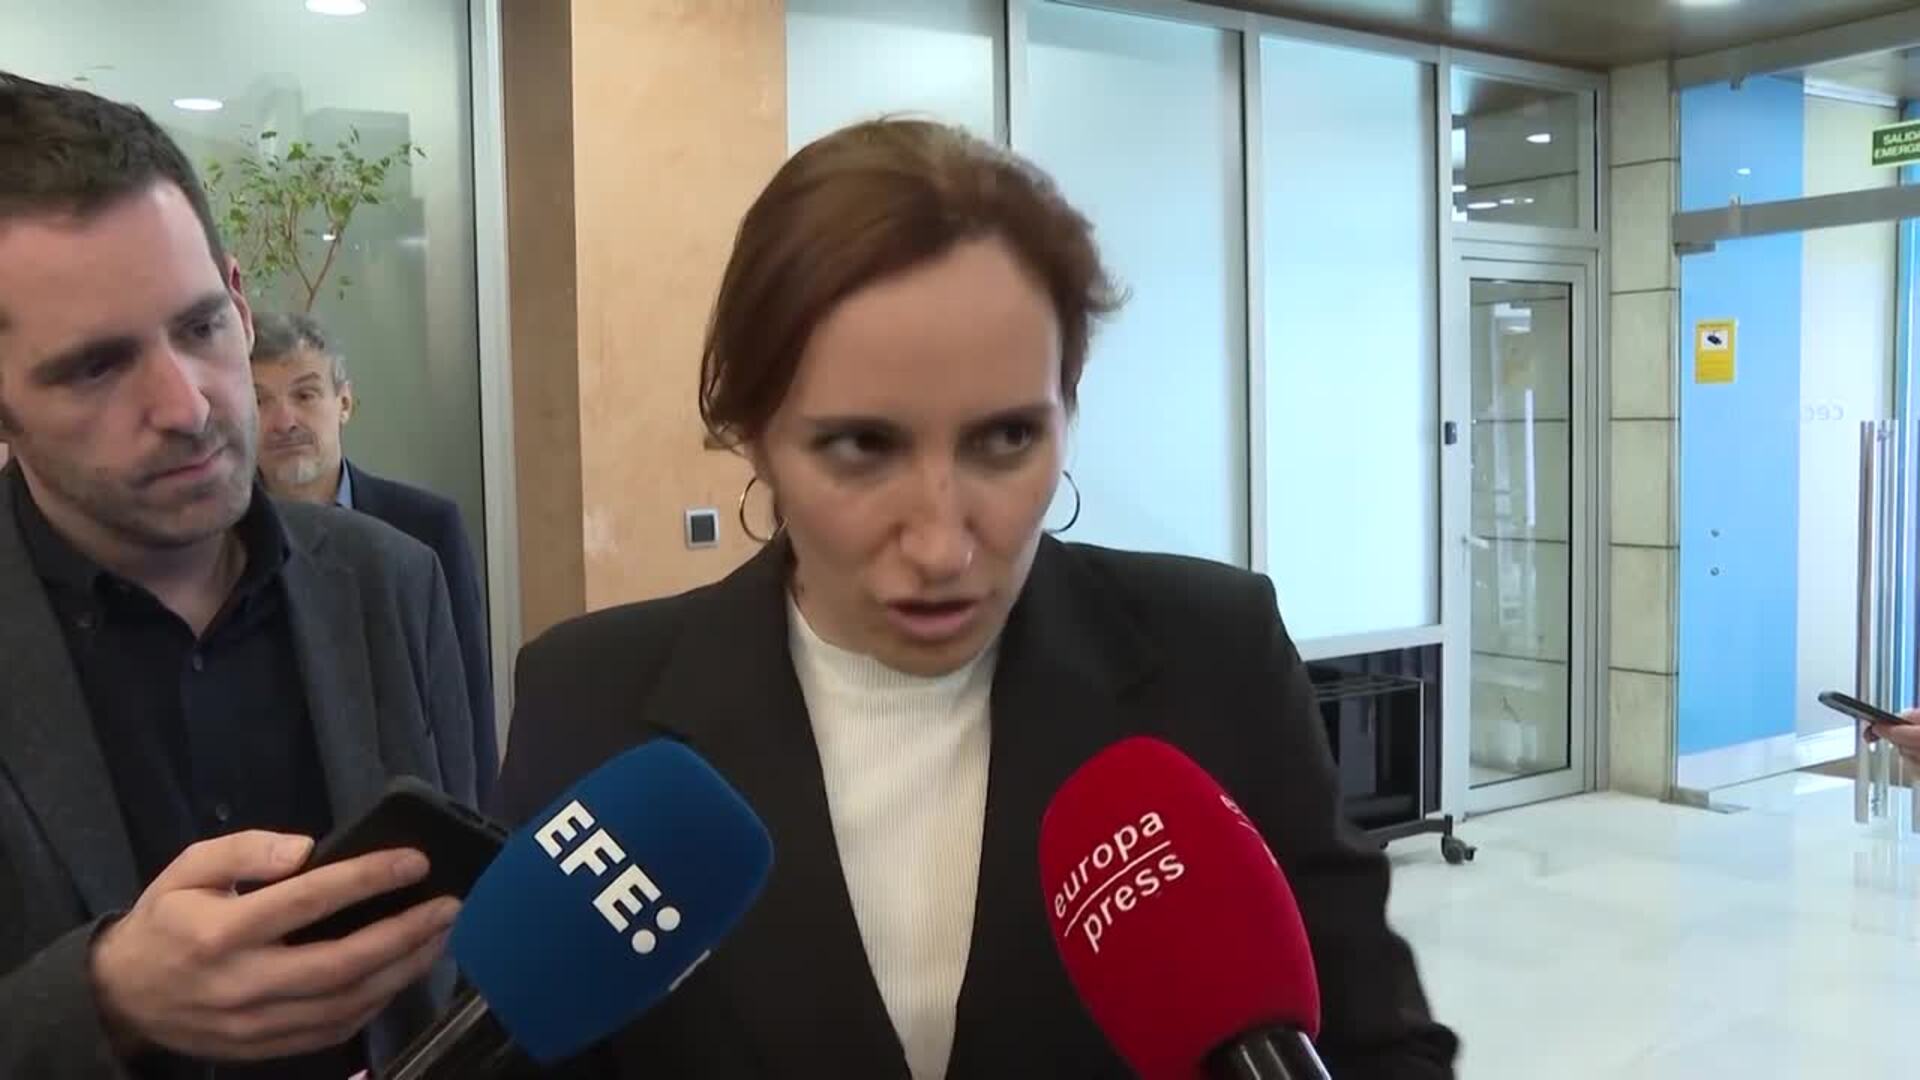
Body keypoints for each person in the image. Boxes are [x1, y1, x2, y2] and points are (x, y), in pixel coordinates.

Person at [495, 119, 1458, 1077]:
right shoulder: (589, 704)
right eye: (861, 446)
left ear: (1068, 408)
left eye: (1005, 440)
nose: (944, 546)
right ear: (752, 435)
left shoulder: (1218, 659)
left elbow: (1379, 1045)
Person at [0, 72, 475, 1077]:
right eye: (96, 367)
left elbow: (459, 950)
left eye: (200, 326)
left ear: (241, 299)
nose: (186, 406)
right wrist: (104, 996)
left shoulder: (391, 580)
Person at [251, 311, 498, 803]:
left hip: (402, 807)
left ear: (344, 403)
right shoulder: (219, 543)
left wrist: (482, 828)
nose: (284, 421)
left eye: (305, 395)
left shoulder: (424, 527)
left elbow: (465, 701)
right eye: (259, 401)